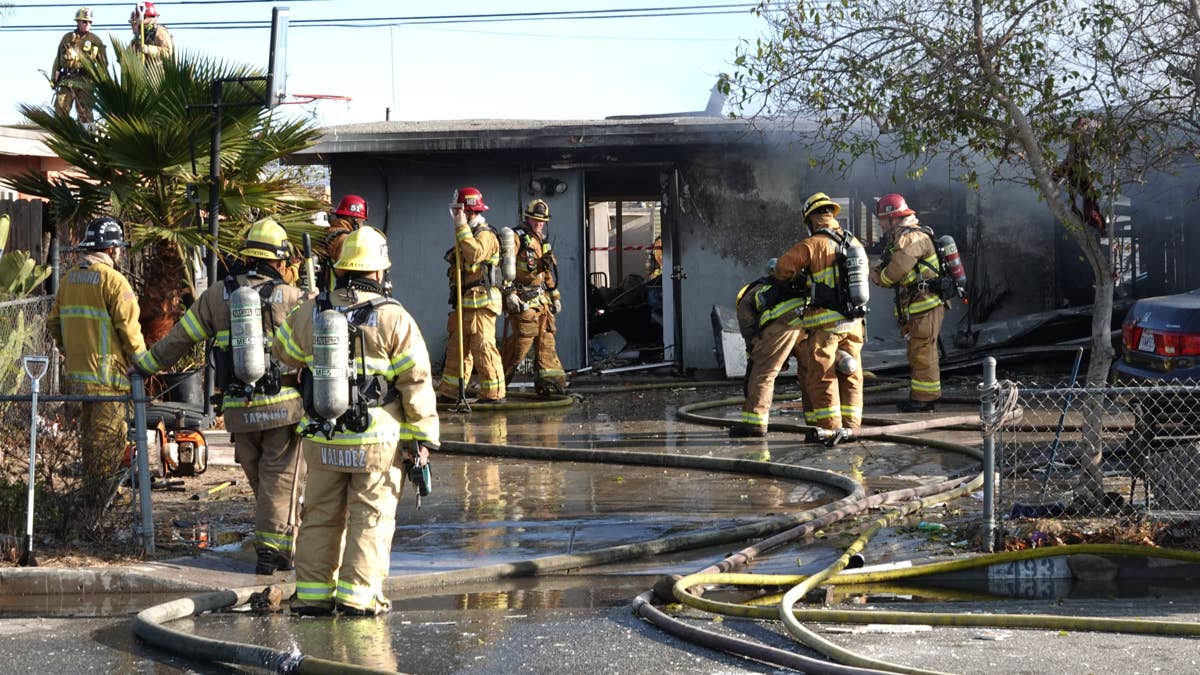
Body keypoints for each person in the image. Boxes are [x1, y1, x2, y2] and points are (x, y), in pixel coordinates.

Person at [274, 225, 438, 615]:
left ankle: (312, 596)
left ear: (342, 268)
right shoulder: (394, 317)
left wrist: (306, 311)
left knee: (319, 517)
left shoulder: (314, 311)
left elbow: (283, 351)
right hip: (375, 443)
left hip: (324, 438)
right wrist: (421, 438)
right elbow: (415, 380)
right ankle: (358, 598)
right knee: (370, 518)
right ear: (378, 271)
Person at [132, 219, 309, 574]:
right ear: (278, 261)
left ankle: (279, 545)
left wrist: (143, 367)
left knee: (265, 485)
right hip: (283, 409)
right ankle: (272, 553)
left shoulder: (217, 296)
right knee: (280, 482)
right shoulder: (294, 299)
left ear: (247, 256)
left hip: (239, 411)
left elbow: (180, 338)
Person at [48, 217, 146, 505]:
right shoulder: (114, 282)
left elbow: (53, 323)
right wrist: (144, 364)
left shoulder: (69, 279)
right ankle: (103, 500)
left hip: (78, 379)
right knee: (108, 442)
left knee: (90, 440)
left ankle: (94, 496)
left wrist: (68, 349)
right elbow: (130, 332)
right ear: (112, 249)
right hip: (108, 381)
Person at [773, 193, 865, 432]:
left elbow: (782, 269)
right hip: (854, 323)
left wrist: (802, 281)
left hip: (826, 325)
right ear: (831, 214)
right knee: (851, 372)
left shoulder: (812, 244)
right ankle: (852, 428)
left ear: (811, 219)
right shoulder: (854, 243)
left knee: (823, 375)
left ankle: (829, 429)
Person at [870, 193, 946, 412]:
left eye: (882, 220)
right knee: (918, 352)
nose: (881, 225)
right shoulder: (902, 238)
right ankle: (921, 397)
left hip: (926, 306)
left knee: (923, 353)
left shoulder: (911, 238)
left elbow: (895, 272)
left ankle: (925, 400)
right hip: (918, 306)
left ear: (893, 218)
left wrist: (878, 277)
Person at [436, 187, 506, 404]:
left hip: (482, 301)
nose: (456, 215)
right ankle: (451, 392)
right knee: (457, 348)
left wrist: (461, 228)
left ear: (469, 211)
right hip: (466, 302)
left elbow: (474, 254)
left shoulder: (486, 234)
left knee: (482, 347)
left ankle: (493, 394)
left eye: (459, 211)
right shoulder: (468, 233)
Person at [730, 259, 808, 437]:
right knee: (810, 372)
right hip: (807, 324)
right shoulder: (799, 285)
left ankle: (755, 424)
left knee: (762, 373)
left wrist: (753, 343)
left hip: (781, 326)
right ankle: (820, 422)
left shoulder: (756, 289)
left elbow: (746, 319)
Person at [499, 199, 567, 396]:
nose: (539, 223)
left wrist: (555, 296)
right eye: (535, 219)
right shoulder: (517, 238)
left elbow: (546, 271)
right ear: (527, 218)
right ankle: (496, 384)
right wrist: (509, 294)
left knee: (547, 343)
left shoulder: (542, 241)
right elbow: (504, 268)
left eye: (542, 220)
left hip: (542, 300)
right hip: (522, 300)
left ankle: (550, 385)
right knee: (521, 344)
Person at [51, 7, 107, 124]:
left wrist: (102, 84)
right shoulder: (67, 38)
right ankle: (61, 134)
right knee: (60, 111)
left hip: (85, 83)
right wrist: (53, 79)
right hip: (67, 81)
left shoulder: (96, 41)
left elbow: (103, 65)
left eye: (90, 22)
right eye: (84, 21)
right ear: (78, 21)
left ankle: (86, 135)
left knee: (85, 114)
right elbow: (58, 60)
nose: (87, 24)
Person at [323, 194, 368, 290]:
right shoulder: (345, 240)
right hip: (339, 293)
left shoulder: (330, 232)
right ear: (355, 220)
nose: (362, 225)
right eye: (362, 221)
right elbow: (344, 272)